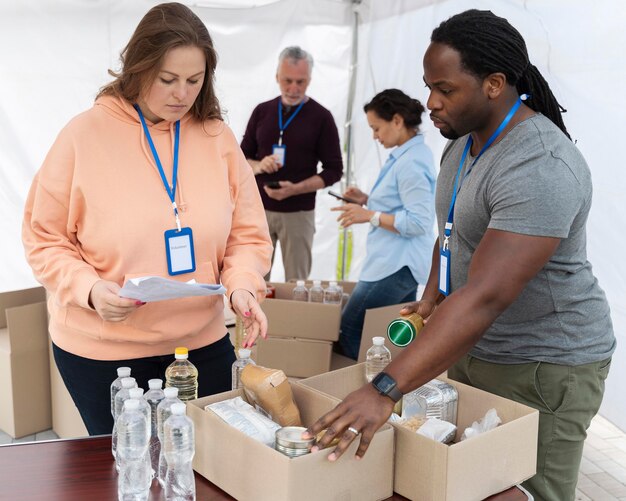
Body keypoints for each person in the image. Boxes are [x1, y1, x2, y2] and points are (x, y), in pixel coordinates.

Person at [304, 10, 615, 501]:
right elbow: (451, 233)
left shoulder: (540, 165)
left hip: (545, 365)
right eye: (429, 86)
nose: (430, 102)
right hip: (477, 346)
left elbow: (487, 295)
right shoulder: (462, 144)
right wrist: (431, 297)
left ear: (494, 83)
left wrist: (386, 387)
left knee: (527, 493)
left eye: (444, 89)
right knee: (471, 483)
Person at [22, 2, 272, 436]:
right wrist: (90, 289)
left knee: (206, 467)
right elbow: (44, 238)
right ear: (138, 69)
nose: (182, 94)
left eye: (194, 81)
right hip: (103, 353)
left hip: (201, 344)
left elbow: (247, 234)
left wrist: (243, 285)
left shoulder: (217, 137)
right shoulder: (83, 135)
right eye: (168, 79)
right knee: (130, 470)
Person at [332, 89, 436, 360]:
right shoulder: (406, 156)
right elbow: (401, 204)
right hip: (396, 263)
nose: (375, 136)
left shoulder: (411, 162)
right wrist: (367, 200)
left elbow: (419, 221)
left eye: (376, 128)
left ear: (398, 121)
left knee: (349, 330)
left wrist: (369, 215)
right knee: (395, 338)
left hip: (396, 265)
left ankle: (365, 391)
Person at [240, 46, 343, 281]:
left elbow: (334, 170)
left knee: (297, 283)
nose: (294, 88)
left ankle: (294, 319)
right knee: (254, 279)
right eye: (288, 81)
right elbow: (240, 157)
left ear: (309, 80)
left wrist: (295, 189)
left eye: (301, 82)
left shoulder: (322, 117)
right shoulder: (262, 111)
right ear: (277, 77)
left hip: (299, 213)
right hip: (259, 210)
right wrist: (258, 165)